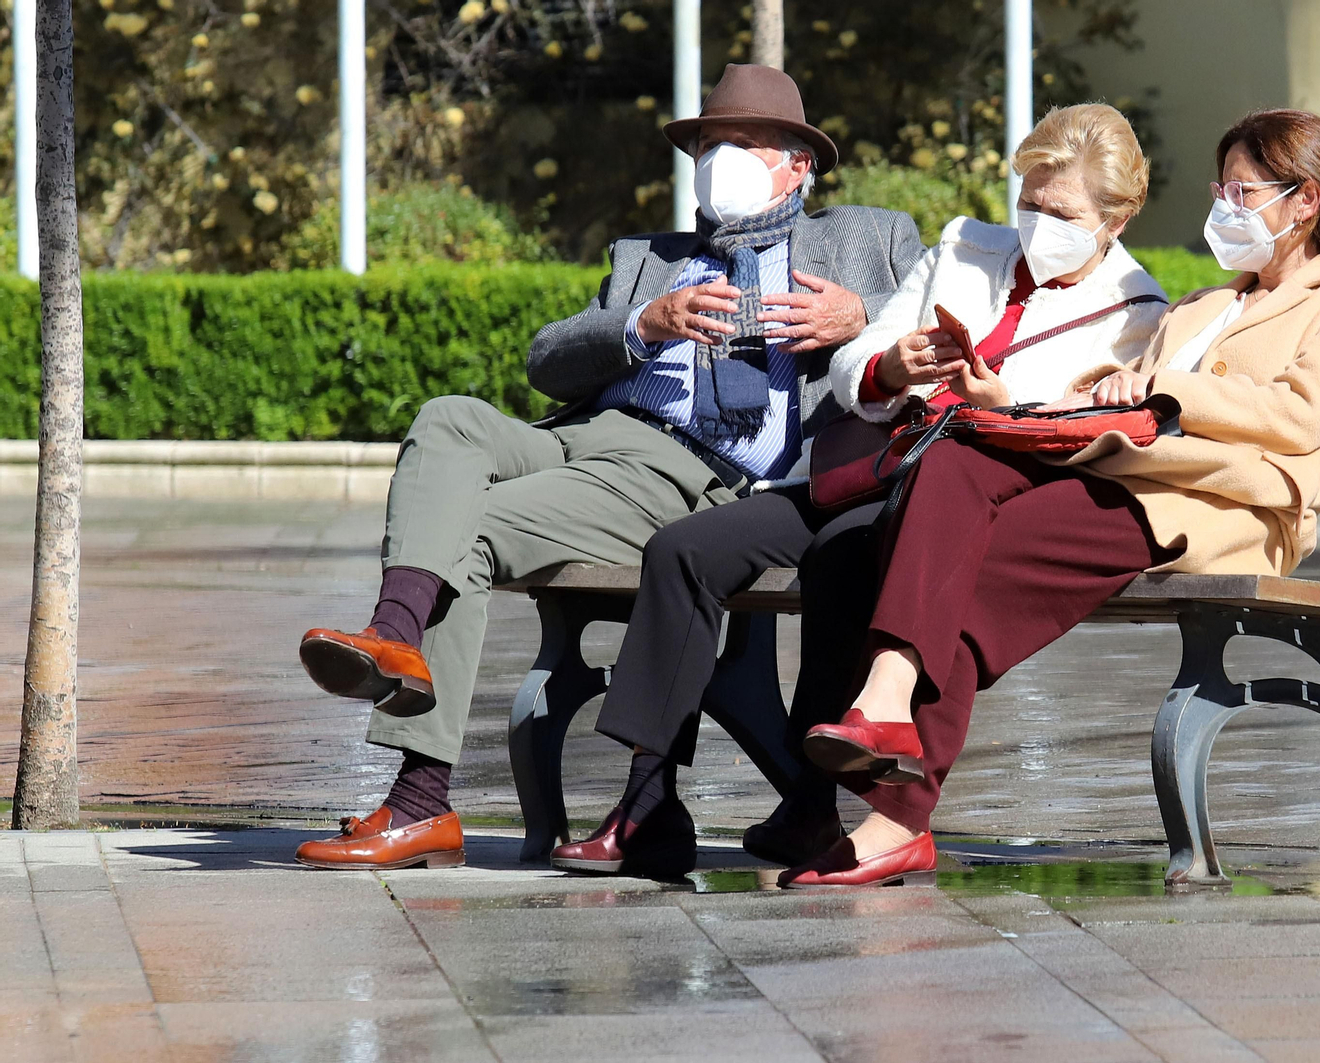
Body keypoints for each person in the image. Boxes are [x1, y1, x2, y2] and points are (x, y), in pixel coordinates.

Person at [291, 64, 925, 872]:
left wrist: (861, 316)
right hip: (582, 438)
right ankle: (394, 635)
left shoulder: (866, 237)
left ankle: (420, 802)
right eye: (708, 143)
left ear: (800, 163)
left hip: (690, 473)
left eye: (745, 143)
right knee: (447, 417)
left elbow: (941, 317)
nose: (720, 156)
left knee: (465, 532)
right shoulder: (648, 257)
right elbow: (546, 359)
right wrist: (641, 324)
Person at [780, 108, 1320, 889]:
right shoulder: (1210, 303)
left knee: (968, 571)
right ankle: (888, 703)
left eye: (1243, 192)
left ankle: (895, 815)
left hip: (1220, 503)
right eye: (1222, 189)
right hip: (1125, 468)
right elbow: (1113, 393)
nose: (1225, 207)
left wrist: (1166, 388)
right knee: (955, 464)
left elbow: (1302, 416)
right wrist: (1023, 398)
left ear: (1304, 199)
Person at [549, 103, 1167, 878]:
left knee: (845, 555)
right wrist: (892, 366)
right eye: (1030, 202)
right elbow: (859, 358)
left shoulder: (1137, 313)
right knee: (682, 550)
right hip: (867, 462)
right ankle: (647, 803)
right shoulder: (965, 245)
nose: (1038, 222)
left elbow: (1073, 436)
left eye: (1062, 212)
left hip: (952, 492)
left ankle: (812, 803)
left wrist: (999, 401)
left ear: (1116, 218)